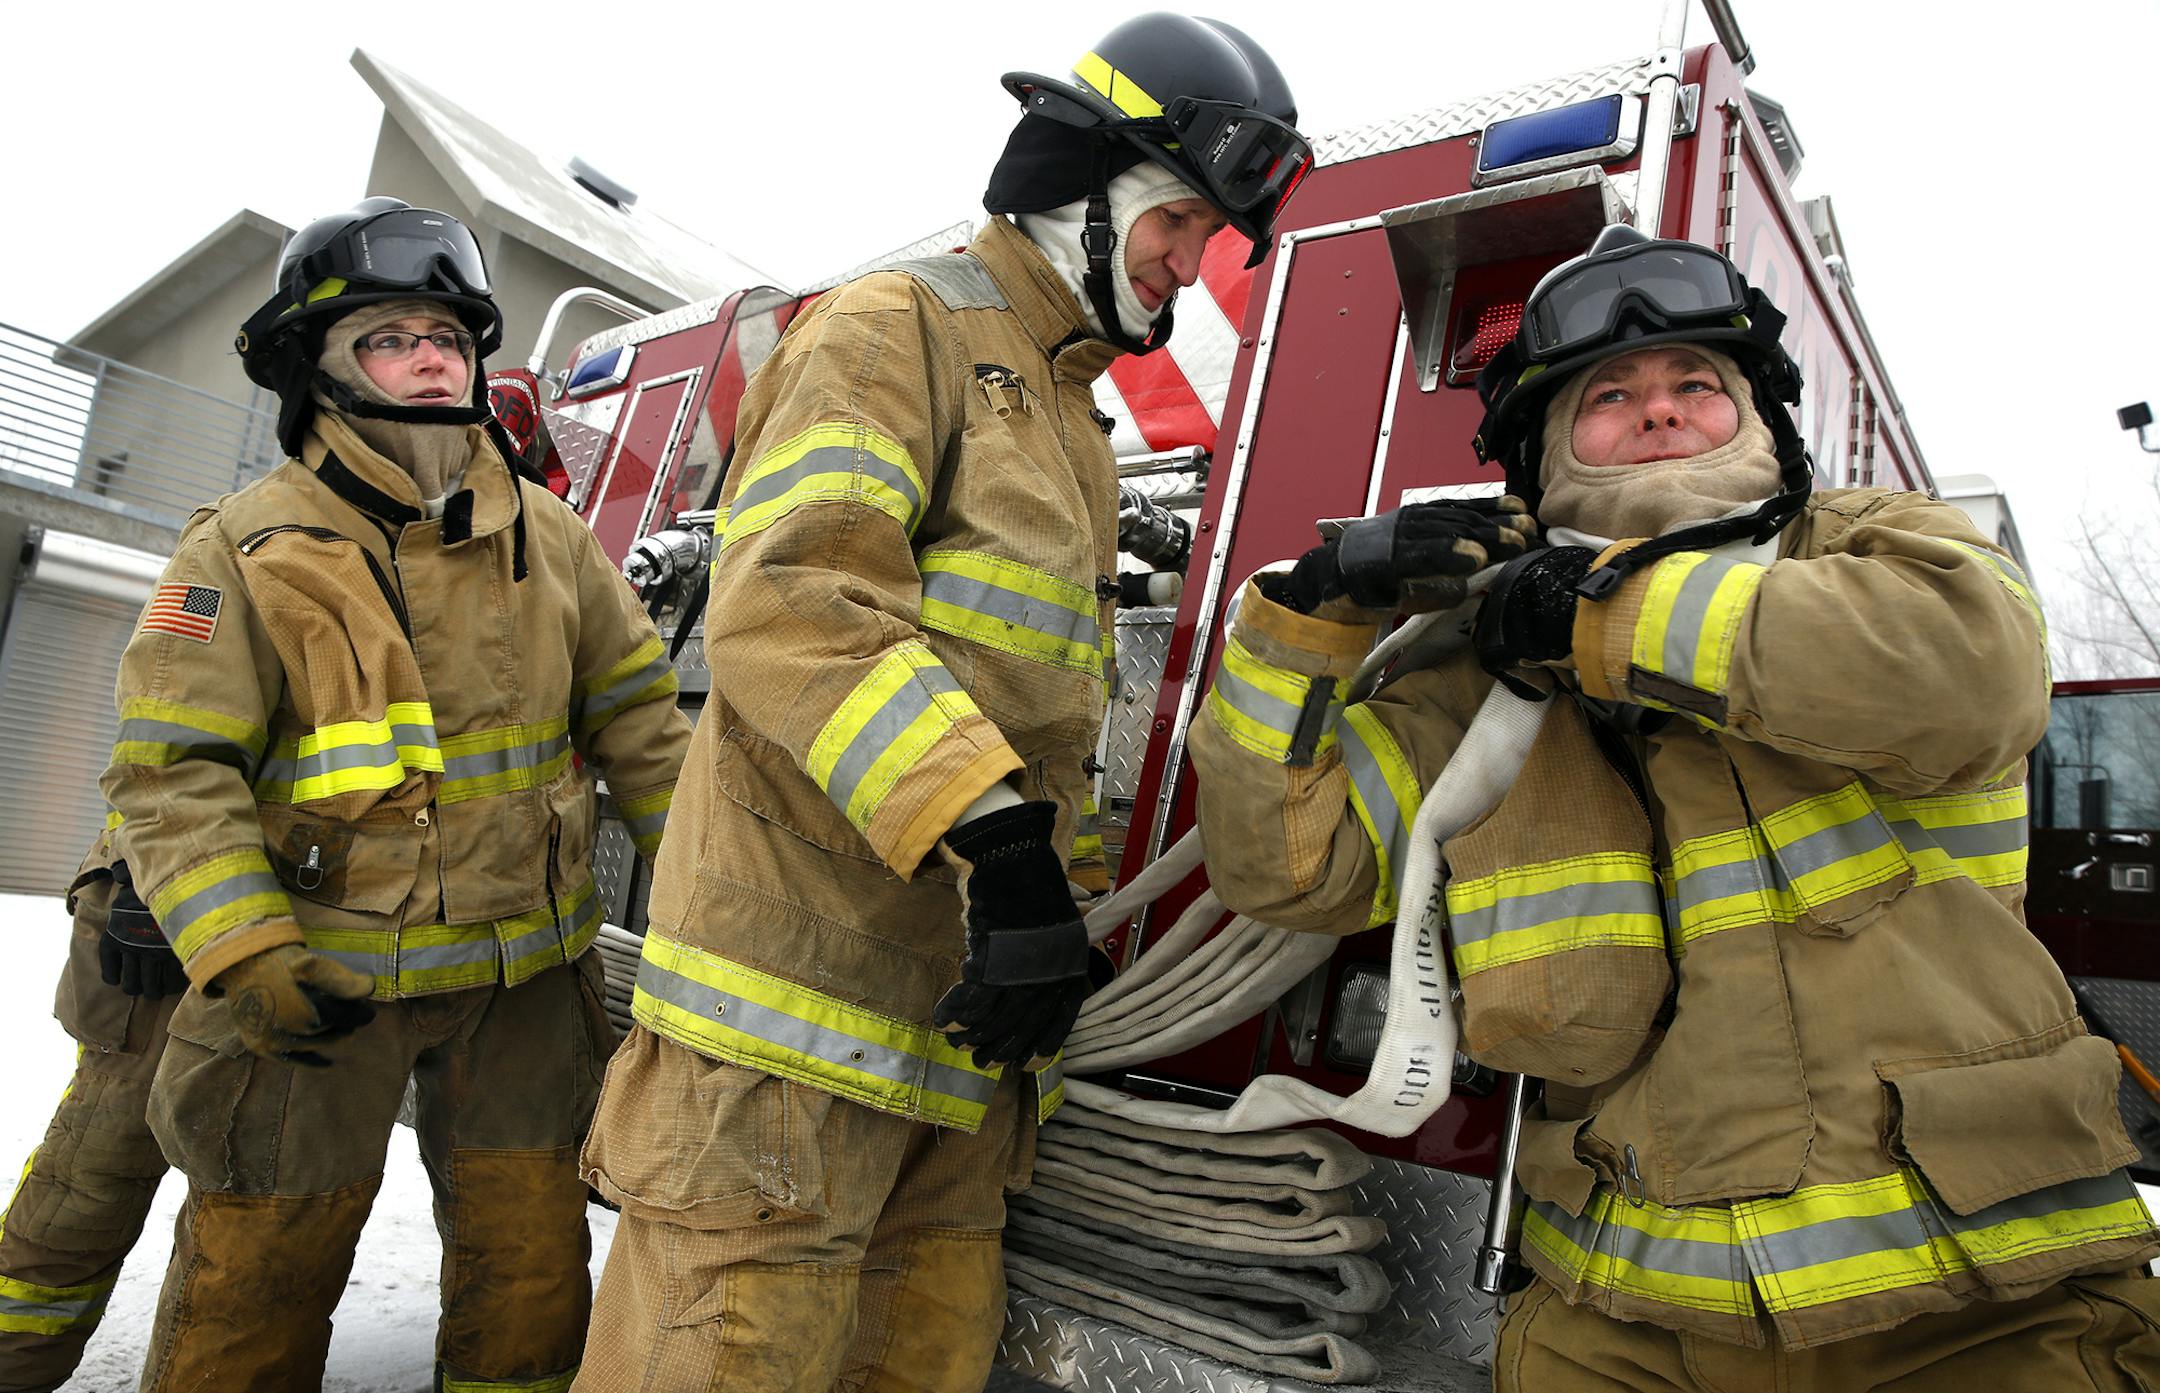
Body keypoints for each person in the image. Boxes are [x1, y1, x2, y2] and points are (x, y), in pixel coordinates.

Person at [1191, 223, 2160, 1391]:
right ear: (1544, 456)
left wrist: (1593, 619)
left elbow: (1969, 674)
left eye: (1698, 384)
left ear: (1764, 423)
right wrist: (1307, 618)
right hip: (1627, 1320)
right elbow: (1289, 867)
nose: (1659, 412)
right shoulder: (1480, 680)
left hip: (1987, 1302)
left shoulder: (1877, 546)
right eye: (1610, 395)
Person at [574, 15, 1311, 1391]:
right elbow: (801, 606)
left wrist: (1062, 905)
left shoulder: (1069, 422)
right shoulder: (893, 324)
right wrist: (1001, 847)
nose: (1190, 266)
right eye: (1179, 220)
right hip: (782, 1042)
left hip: (957, 1058)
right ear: (1075, 179)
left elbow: (1038, 717)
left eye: (1213, 236)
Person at [104, 197, 692, 1391]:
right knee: (256, 1273)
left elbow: (645, 729)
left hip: (523, 988)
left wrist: (710, 897)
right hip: (314, 988)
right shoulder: (237, 550)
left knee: (531, 1280)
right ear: (316, 371)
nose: (433, 356)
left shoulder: (551, 537)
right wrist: (246, 948)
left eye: (450, 335)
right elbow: (174, 775)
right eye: (390, 337)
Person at [0, 837, 184, 1393]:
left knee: (265, 1202)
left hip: (337, 932)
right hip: (160, 924)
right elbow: (155, 768)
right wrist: (151, 872)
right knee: (88, 1182)